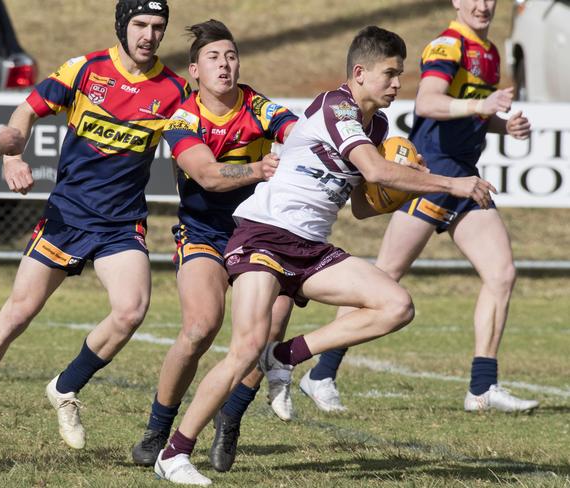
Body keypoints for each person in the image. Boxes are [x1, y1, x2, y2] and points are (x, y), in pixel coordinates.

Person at [154, 25, 496, 486]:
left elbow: (358, 204)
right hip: (264, 236)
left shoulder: (377, 126)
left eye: (401, 74)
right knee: (243, 350)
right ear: (359, 73)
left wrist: (389, 194)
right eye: (390, 74)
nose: (398, 84)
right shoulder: (336, 105)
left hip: (310, 248)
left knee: (396, 305)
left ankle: (285, 356)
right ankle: (174, 453)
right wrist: (450, 183)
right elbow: (374, 168)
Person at [0, 0, 190, 457]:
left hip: (121, 224)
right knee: (16, 315)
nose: (148, 35)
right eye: (141, 24)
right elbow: (26, 111)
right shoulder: (86, 70)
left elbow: (194, 148)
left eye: (158, 27)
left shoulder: (174, 90)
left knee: (131, 310)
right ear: (124, 26)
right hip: (67, 217)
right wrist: (11, 156)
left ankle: (66, 387)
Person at [300, 0, 539, 415]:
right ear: (457, 2)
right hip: (429, 177)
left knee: (501, 274)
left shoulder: (489, 51)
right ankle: (321, 373)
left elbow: (467, 111)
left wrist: (502, 124)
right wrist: (483, 107)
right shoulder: (448, 46)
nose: (483, 5)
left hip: (466, 179)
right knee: (383, 278)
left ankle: (482, 388)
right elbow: (428, 102)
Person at [131, 19, 297, 474]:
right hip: (203, 233)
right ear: (194, 72)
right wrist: (258, 170)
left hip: (259, 235)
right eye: (213, 58)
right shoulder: (183, 117)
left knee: (267, 330)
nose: (225, 65)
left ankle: (230, 419)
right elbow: (205, 175)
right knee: (201, 328)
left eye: (231, 56)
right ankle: (157, 427)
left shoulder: (258, 106)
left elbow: (298, 135)